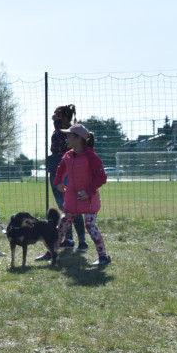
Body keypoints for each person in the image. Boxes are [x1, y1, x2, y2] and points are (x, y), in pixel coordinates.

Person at [53, 124, 111, 266]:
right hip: (72, 199)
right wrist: (58, 181)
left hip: (89, 199)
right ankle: (52, 252)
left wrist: (88, 191)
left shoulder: (91, 156)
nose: (66, 139)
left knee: (90, 226)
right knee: (62, 225)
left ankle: (104, 257)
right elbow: (61, 169)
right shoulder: (67, 155)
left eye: (69, 136)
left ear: (79, 139)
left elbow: (101, 177)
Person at [41, 103, 88, 257]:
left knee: (72, 207)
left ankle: (82, 240)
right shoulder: (57, 132)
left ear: (65, 117)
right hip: (55, 172)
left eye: (57, 114)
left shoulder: (71, 133)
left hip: (68, 174)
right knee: (63, 207)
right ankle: (68, 239)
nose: (53, 117)